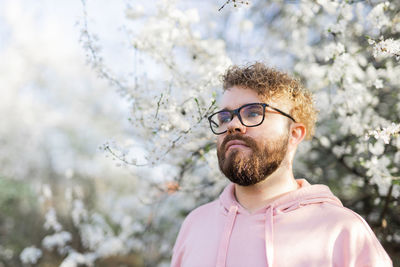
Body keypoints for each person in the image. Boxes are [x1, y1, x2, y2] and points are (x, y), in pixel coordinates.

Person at [170, 62, 392, 267]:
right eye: (225, 117)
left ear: (294, 134)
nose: (234, 125)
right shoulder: (195, 225)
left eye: (254, 112)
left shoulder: (343, 229)